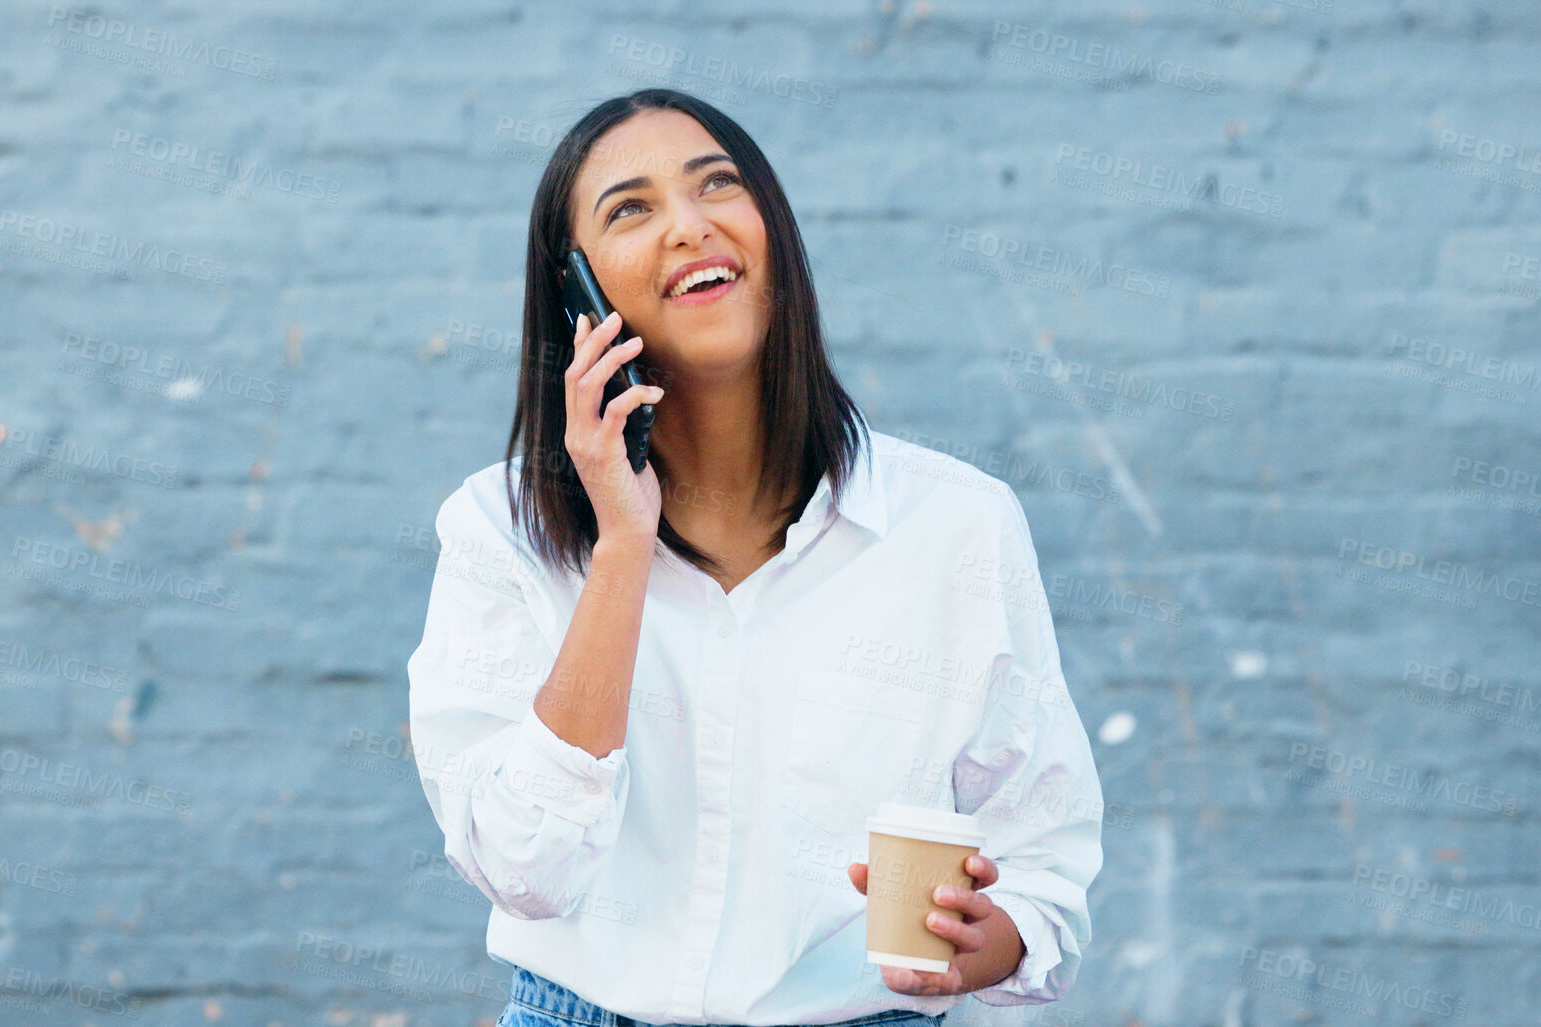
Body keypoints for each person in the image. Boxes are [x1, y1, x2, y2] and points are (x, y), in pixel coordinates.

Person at [407, 88, 1103, 1027]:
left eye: (717, 186)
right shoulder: (500, 529)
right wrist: (620, 547)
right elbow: (522, 870)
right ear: (576, 291)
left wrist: (993, 939)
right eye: (631, 208)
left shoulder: (957, 526)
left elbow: (1043, 854)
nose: (690, 225)